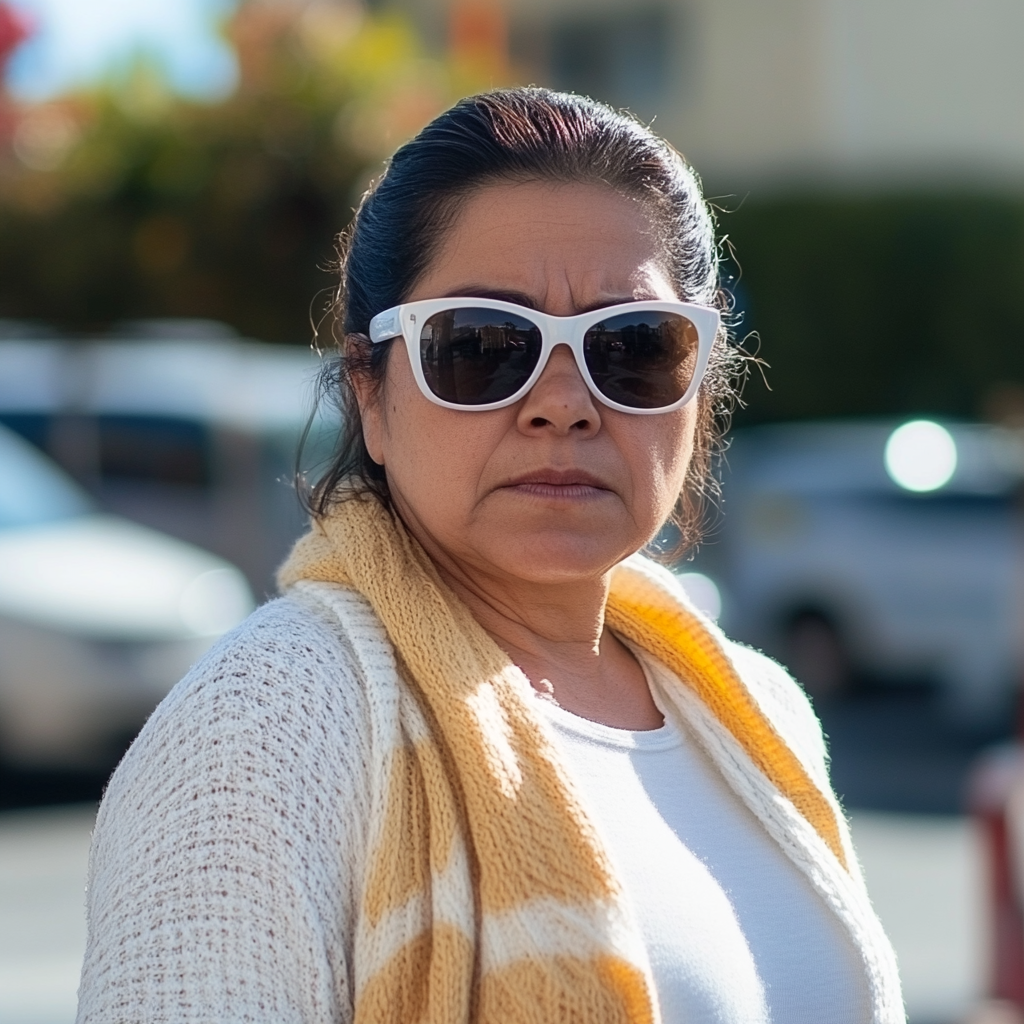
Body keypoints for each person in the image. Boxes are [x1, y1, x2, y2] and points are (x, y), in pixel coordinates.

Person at [76, 88, 904, 1024]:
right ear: (372, 398)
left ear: (699, 392)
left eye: (632, 347)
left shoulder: (763, 711)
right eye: (481, 346)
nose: (565, 403)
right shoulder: (266, 726)